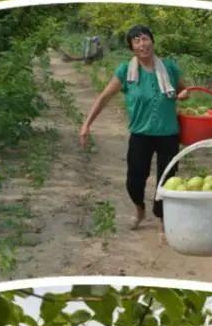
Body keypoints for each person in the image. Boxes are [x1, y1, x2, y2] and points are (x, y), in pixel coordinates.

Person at [79, 24, 188, 229]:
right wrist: (86, 124)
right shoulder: (125, 71)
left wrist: (184, 94)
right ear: (132, 47)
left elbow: (185, 89)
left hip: (168, 135)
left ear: (152, 42)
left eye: (145, 38)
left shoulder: (170, 68)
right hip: (140, 135)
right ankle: (140, 208)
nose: (142, 44)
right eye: (136, 41)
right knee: (134, 182)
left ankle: (163, 218)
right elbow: (104, 97)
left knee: (167, 182)